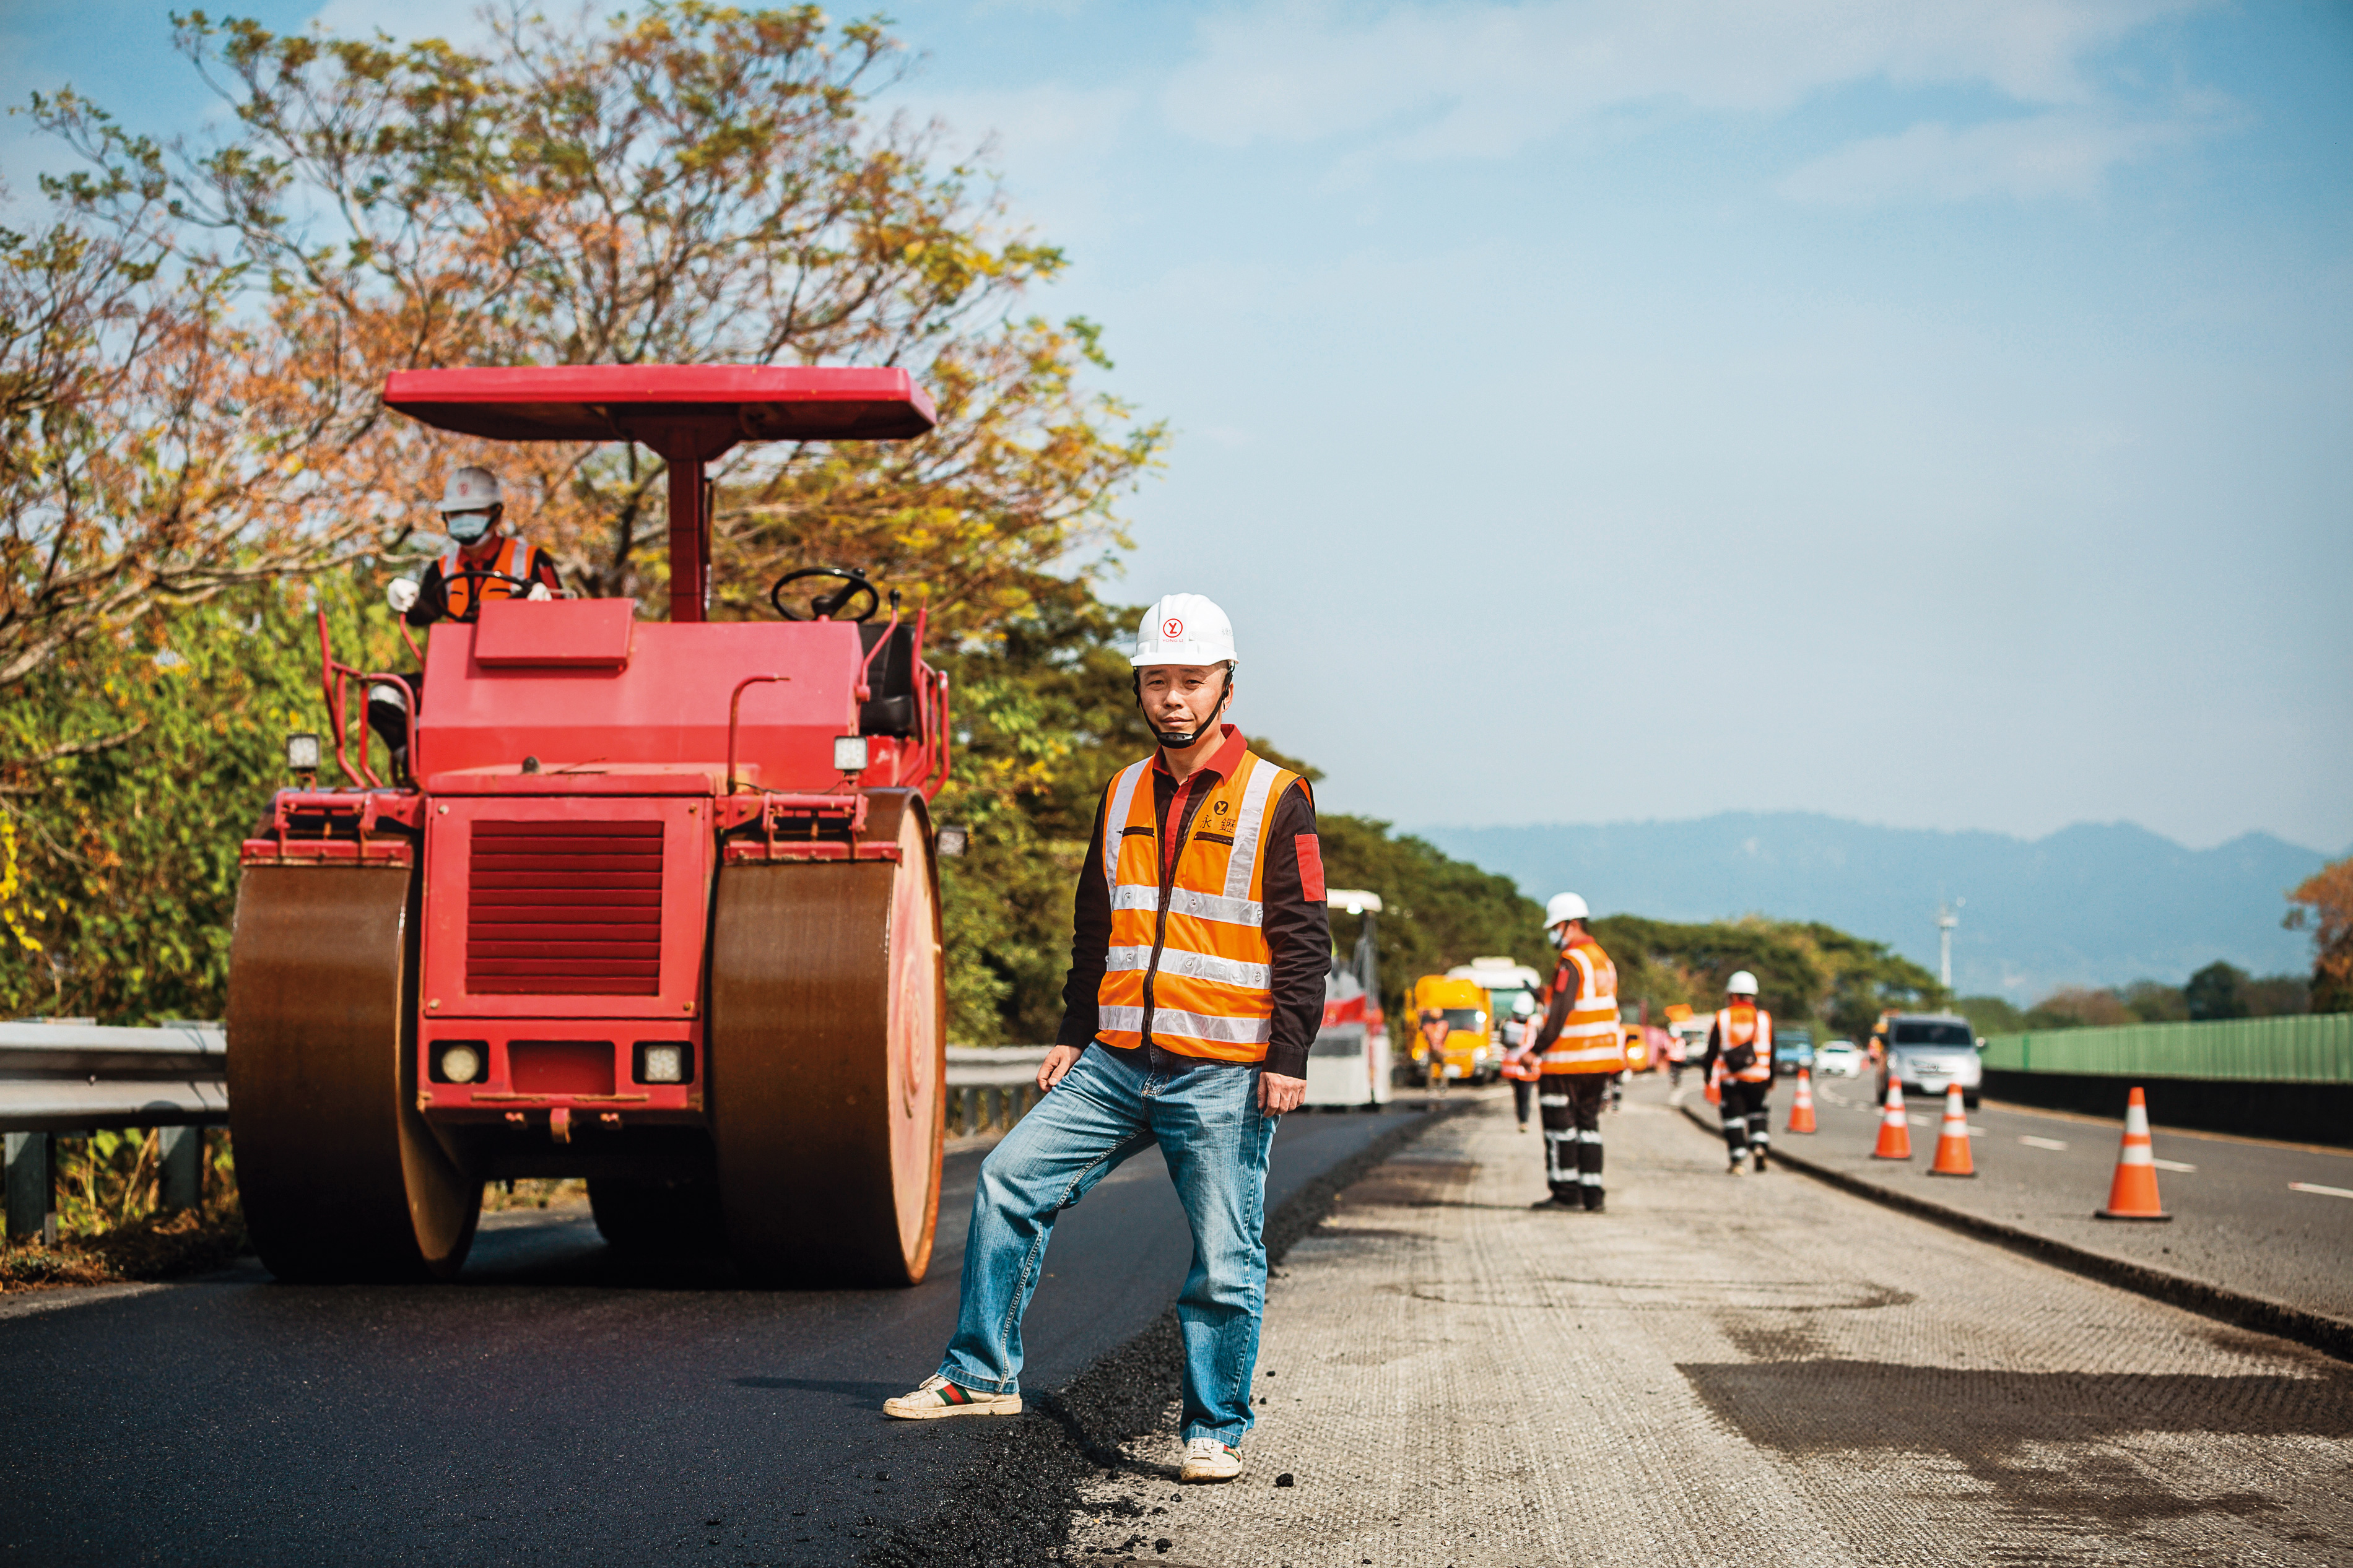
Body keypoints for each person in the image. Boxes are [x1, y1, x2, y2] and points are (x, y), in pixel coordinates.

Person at [883, 593, 1326, 1488]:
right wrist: (1071, 1031)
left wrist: (1289, 1052)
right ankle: (979, 1374)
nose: (1173, 699)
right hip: (1118, 1060)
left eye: (1191, 681)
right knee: (1009, 1179)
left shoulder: (1279, 797)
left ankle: (1215, 1426)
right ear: (1138, 685)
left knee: (1224, 1250)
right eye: (1157, 680)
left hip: (1222, 1070)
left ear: (1225, 687)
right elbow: (1100, 924)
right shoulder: (1122, 790)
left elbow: (1302, 934)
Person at [367, 466, 563, 776]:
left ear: (497, 514)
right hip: (456, 677)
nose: (464, 519)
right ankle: (423, 764)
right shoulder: (442, 568)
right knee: (383, 697)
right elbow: (425, 613)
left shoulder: (531, 561)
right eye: (456, 513)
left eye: (474, 511)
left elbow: (566, 619)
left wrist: (546, 602)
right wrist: (406, 598)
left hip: (518, 678)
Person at [1526, 893, 1624, 1211]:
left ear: (1570, 924)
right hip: (1599, 1061)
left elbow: (1562, 1014)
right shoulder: (1601, 959)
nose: (1553, 935)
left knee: (1560, 1130)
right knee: (1588, 1127)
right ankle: (1593, 1195)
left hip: (1566, 1060)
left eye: (1555, 927)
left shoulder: (1572, 960)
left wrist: (1535, 1049)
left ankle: (1566, 1194)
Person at [1700, 971, 1775, 1175]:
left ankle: (1738, 1161)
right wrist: (1771, 1079)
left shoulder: (1723, 1017)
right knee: (1757, 1113)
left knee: (1733, 1119)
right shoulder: (1764, 1018)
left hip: (1731, 1080)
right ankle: (1759, 1146)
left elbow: (1712, 1050)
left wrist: (1707, 1074)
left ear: (1733, 995)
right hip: (1759, 1078)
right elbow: (1773, 1050)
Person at [1499, 992, 1541, 1132]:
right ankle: (1522, 1119)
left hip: (1528, 1068)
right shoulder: (1509, 1024)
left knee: (1525, 1095)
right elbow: (1504, 1041)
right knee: (1519, 1095)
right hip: (1514, 1069)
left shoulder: (1535, 1025)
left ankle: (1524, 1120)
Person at [1417, 1007, 1452, 1107]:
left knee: (1432, 1070)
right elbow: (1446, 1037)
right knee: (1441, 1069)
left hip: (1433, 1050)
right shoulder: (1444, 1025)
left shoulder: (1427, 1026)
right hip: (1439, 1050)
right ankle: (1442, 1087)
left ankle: (1432, 1088)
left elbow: (1426, 1037)